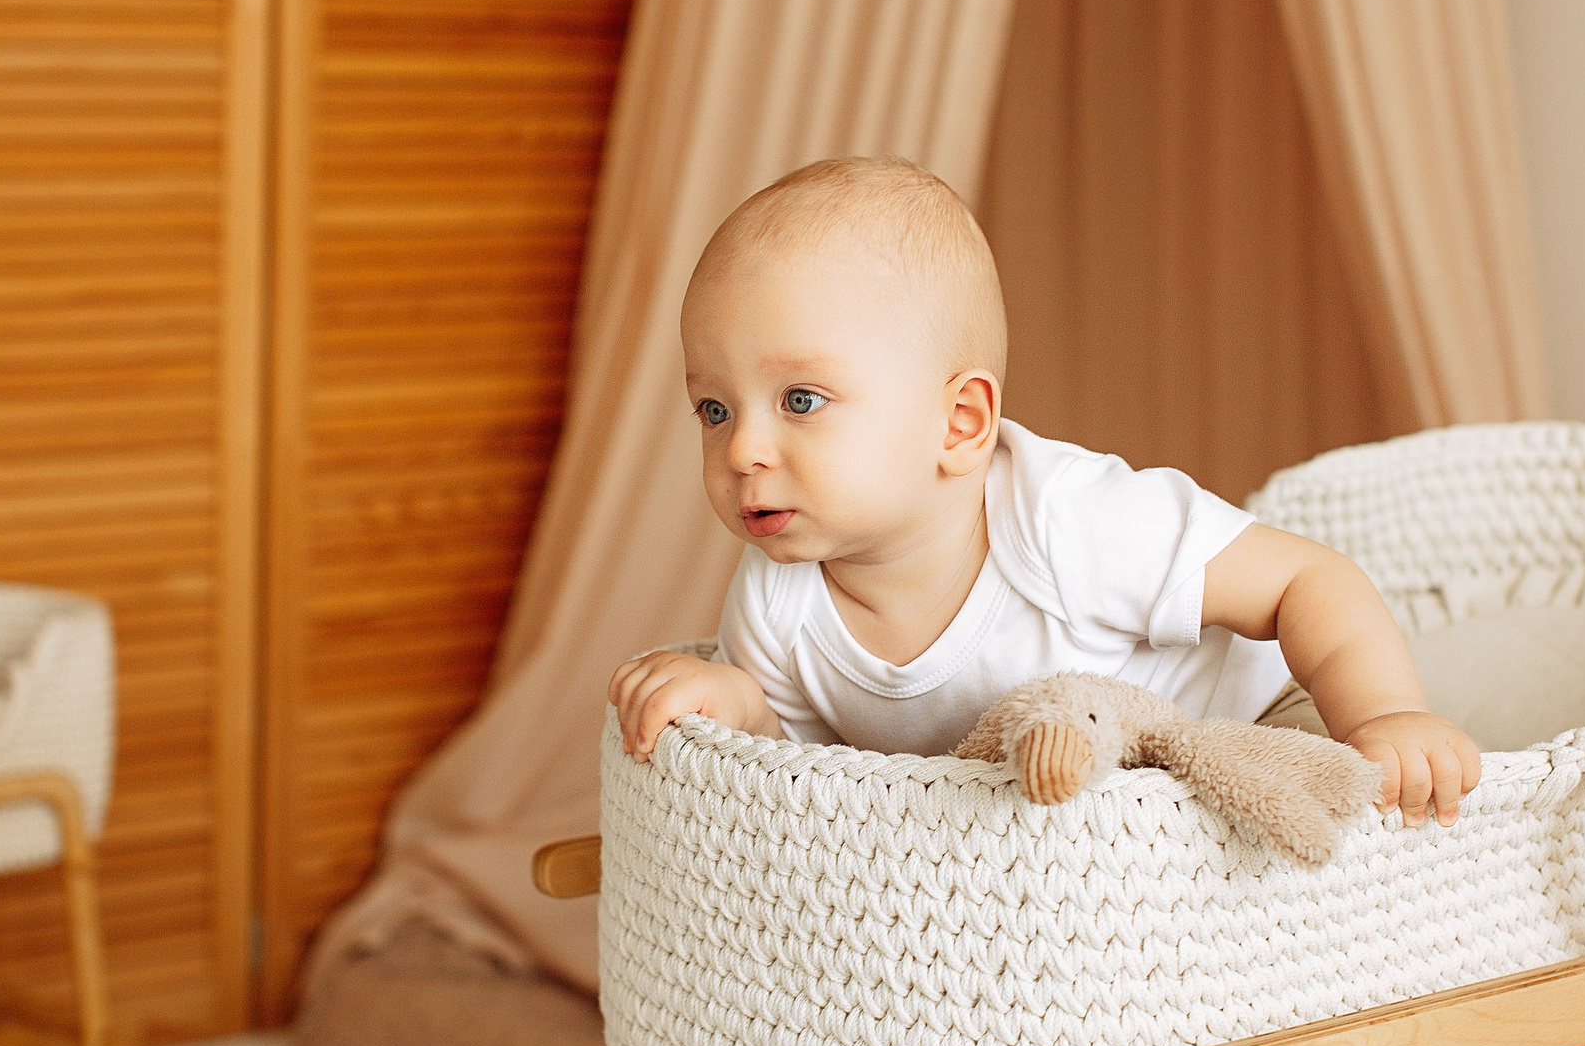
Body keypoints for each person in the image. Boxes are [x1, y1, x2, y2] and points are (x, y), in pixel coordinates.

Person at [606, 157, 1481, 824]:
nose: (744, 449)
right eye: (713, 408)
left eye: (801, 400)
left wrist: (1386, 713)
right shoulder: (776, 600)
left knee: (1316, 808)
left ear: (959, 424)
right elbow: (812, 783)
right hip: (1061, 832)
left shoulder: (1072, 521)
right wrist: (735, 704)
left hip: (1253, 723)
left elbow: (1306, 581)